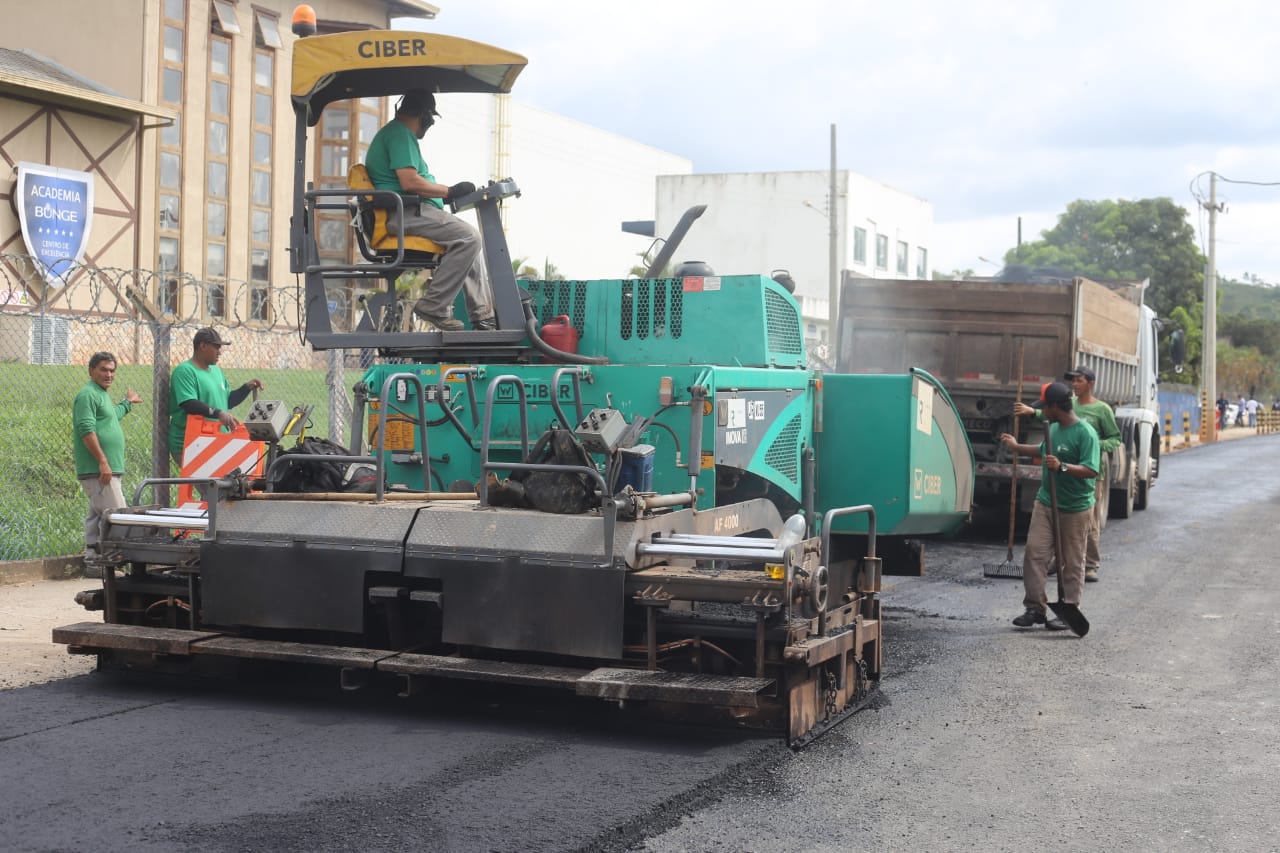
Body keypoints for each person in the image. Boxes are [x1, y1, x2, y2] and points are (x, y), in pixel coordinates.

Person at [364, 88, 495, 332]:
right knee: (469, 237)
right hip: (404, 214)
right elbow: (409, 182)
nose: (430, 124)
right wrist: (448, 192)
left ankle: (483, 317)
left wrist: (445, 198)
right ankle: (434, 306)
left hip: (410, 210)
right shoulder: (400, 134)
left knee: (469, 242)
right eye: (430, 118)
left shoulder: (396, 135)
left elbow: (408, 183)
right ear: (424, 116)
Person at [1000, 381, 1100, 632]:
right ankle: (1035, 608)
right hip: (1046, 502)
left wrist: (1062, 467)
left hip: (1075, 508)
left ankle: (1069, 608)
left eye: (1045, 406)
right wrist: (1016, 448)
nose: (1042, 410)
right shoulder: (1052, 428)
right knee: (1035, 553)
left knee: (1071, 561)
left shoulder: (1085, 434)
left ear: (1056, 406)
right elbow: (1042, 450)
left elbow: (1091, 470)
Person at [1014, 365, 1119, 582]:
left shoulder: (1102, 410)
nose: (1075, 384)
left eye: (1079, 380)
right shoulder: (1068, 408)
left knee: (1087, 524)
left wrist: (1093, 446)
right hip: (1060, 475)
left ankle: (1089, 564)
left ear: (1091, 383)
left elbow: (1115, 439)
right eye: (1073, 381)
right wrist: (1032, 412)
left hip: (1088, 475)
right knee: (1057, 521)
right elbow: (1052, 415)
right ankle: (1059, 560)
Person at [73, 352, 142, 570]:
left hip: (105, 469)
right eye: (104, 369)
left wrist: (127, 402)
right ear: (91, 370)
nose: (109, 374)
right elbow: (86, 429)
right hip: (98, 469)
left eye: (112, 370)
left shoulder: (100, 394)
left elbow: (111, 416)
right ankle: (110, 564)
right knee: (117, 516)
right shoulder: (87, 395)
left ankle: (93, 560)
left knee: (96, 516)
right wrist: (103, 461)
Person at [168, 328, 263, 472]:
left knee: (221, 491)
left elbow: (226, 402)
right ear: (203, 346)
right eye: (216, 347)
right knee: (212, 491)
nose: (220, 352)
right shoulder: (185, 371)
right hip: (190, 443)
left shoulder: (216, 371)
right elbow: (188, 404)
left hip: (214, 441)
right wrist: (218, 413)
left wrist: (246, 388)